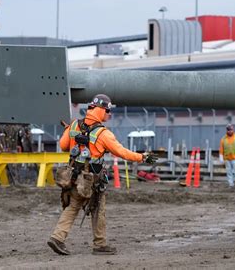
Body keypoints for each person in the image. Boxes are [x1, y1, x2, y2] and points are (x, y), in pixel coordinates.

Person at [47, 94, 157, 256]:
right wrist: (142, 157)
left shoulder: (74, 126)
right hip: (91, 180)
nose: (109, 114)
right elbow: (122, 153)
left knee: (73, 206)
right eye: (107, 111)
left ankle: (57, 237)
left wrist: (69, 132)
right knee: (98, 208)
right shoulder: (103, 134)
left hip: (72, 176)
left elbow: (63, 146)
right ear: (100, 110)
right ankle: (100, 244)